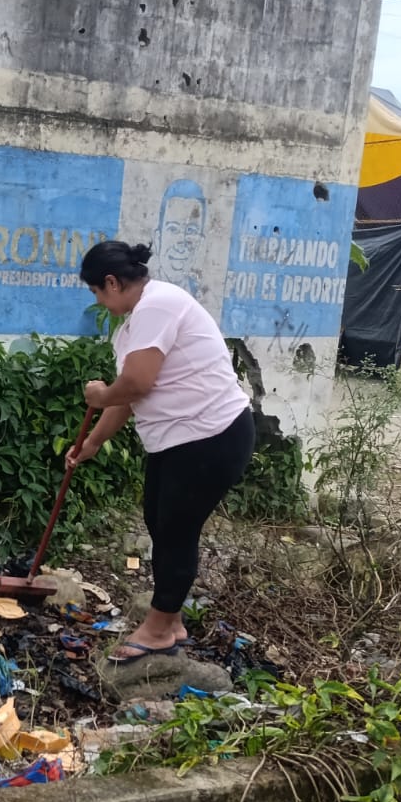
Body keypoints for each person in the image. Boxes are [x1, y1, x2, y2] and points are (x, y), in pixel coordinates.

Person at [68, 241, 254, 663]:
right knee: (158, 519)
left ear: (112, 282)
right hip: (179, 439)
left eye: (97, 291)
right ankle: (171, 622)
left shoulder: (158, 305)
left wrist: (99, 395)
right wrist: (91, 443)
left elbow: (135, 384)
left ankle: (157, 629)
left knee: (175, 528)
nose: (98, 301)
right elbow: (130, 396)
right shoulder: (135, 324)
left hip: (212, 435)